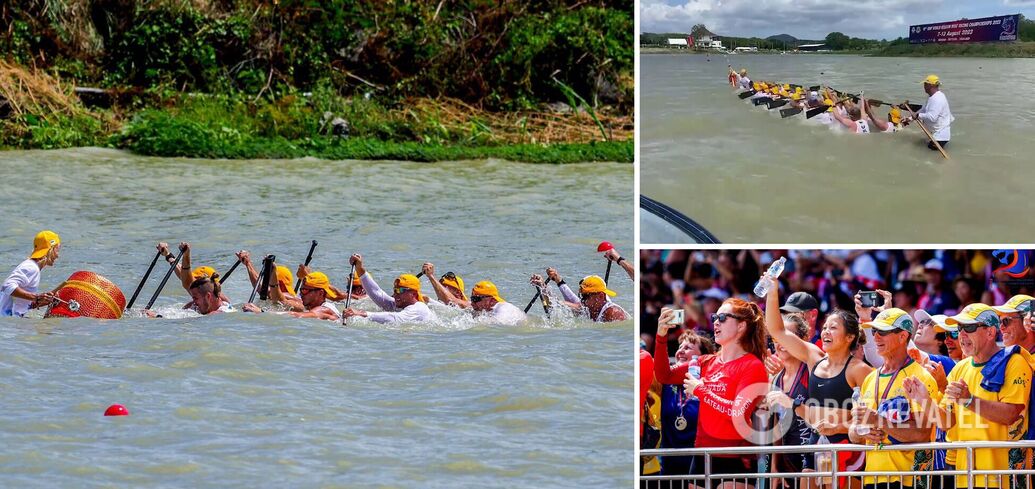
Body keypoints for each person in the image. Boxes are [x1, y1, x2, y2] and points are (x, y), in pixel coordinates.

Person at [907, 303, 1031, 489]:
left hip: (1003, 475)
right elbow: (946, 422)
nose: (962, 335)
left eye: (969, 328)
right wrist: (924, 400)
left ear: (990, 332)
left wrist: (969, 401)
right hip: (966, 474)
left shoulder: (1014, 362)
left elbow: (1011, 414)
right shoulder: (960, 369)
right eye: (960, 329)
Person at [764, 276, 871, 484]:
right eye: (825, 328)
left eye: (833, 328)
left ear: (850, 337)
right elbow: (777, 330)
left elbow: (871, 418)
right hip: (816, 441)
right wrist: (772, 291)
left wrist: (839, 428)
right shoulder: (814, 358)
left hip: (846, 446)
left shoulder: (860, 370)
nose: (826, 332)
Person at [681, 298, 769, 485]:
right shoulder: (706, 361)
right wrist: (661, 336)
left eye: (722, 317)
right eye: (714, 317)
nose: (715, 322)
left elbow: (738, 413)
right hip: (701, 454)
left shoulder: (753, 365)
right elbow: (664, 375)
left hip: (735, 456)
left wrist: (701, 390)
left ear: (741, 326)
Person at [849, 308, 939, 489]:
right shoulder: (870, 378)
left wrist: (878, 421)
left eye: (883, 332)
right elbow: (853, 431)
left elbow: (922, 434)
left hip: (908, 479)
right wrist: (860, 432)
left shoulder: (920, 377)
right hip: (873, 478)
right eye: (874, 332)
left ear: (902, 336)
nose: (876, 338)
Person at [654, 309, 715, 487]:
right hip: (668, 467)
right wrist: (661, 335)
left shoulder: (710, 380)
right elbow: (662, 371)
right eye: (679, 347)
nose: (680, 351)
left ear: (702, 356)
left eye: (687, 347)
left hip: (699, 466)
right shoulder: (666, 383)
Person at [762, 313, 817, 480]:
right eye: (777, 340)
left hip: (813, 462)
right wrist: (774, 467)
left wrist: (792, 403)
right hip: (787, 465)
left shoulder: (812, 370)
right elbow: (777, 425)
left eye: (787, 338)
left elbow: (822, 415)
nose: (781, 345)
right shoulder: (775, 378)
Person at [341, 254, 436, 324]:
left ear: (414, 294)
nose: (395, 294)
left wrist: (361, 313)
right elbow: (376, 292)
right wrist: (359, 268)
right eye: (395, 290)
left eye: (400, 291)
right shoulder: (398, 304)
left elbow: (394, 318)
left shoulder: (419, 308)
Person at [1, 230, 60, 317]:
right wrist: (36, 297)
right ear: (50, 250)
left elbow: (22, 304)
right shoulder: (31, 267)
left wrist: (42, 301)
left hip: (12, 322)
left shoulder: (33, 267)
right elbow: (7, 286)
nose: (58, 255)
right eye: (57, 250)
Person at [245, 271, 340, 320]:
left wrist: (262, 312)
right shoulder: (305, 303)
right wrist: (248, 264)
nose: (302, 294)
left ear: (320, 293)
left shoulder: (324, 309)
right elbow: (270, 294)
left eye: (306, 290)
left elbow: (296, 315)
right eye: (301, 290)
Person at [237, 250, 303, 311]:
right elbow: (260, 286)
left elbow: (278, 299)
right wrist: (248, 263)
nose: (268, 284)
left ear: (280, 283)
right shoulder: (271, 293)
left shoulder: (294, 299)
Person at [905, 75, 954, 151]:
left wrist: (918, 115)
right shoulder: (931, 97)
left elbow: (932, 117)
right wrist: (910, 118)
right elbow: (923, 109)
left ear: (930, 85)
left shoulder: (938, 99)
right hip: (934, 134)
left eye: (925, 84)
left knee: (928, 154)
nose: (924, 86)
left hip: (940, 136)